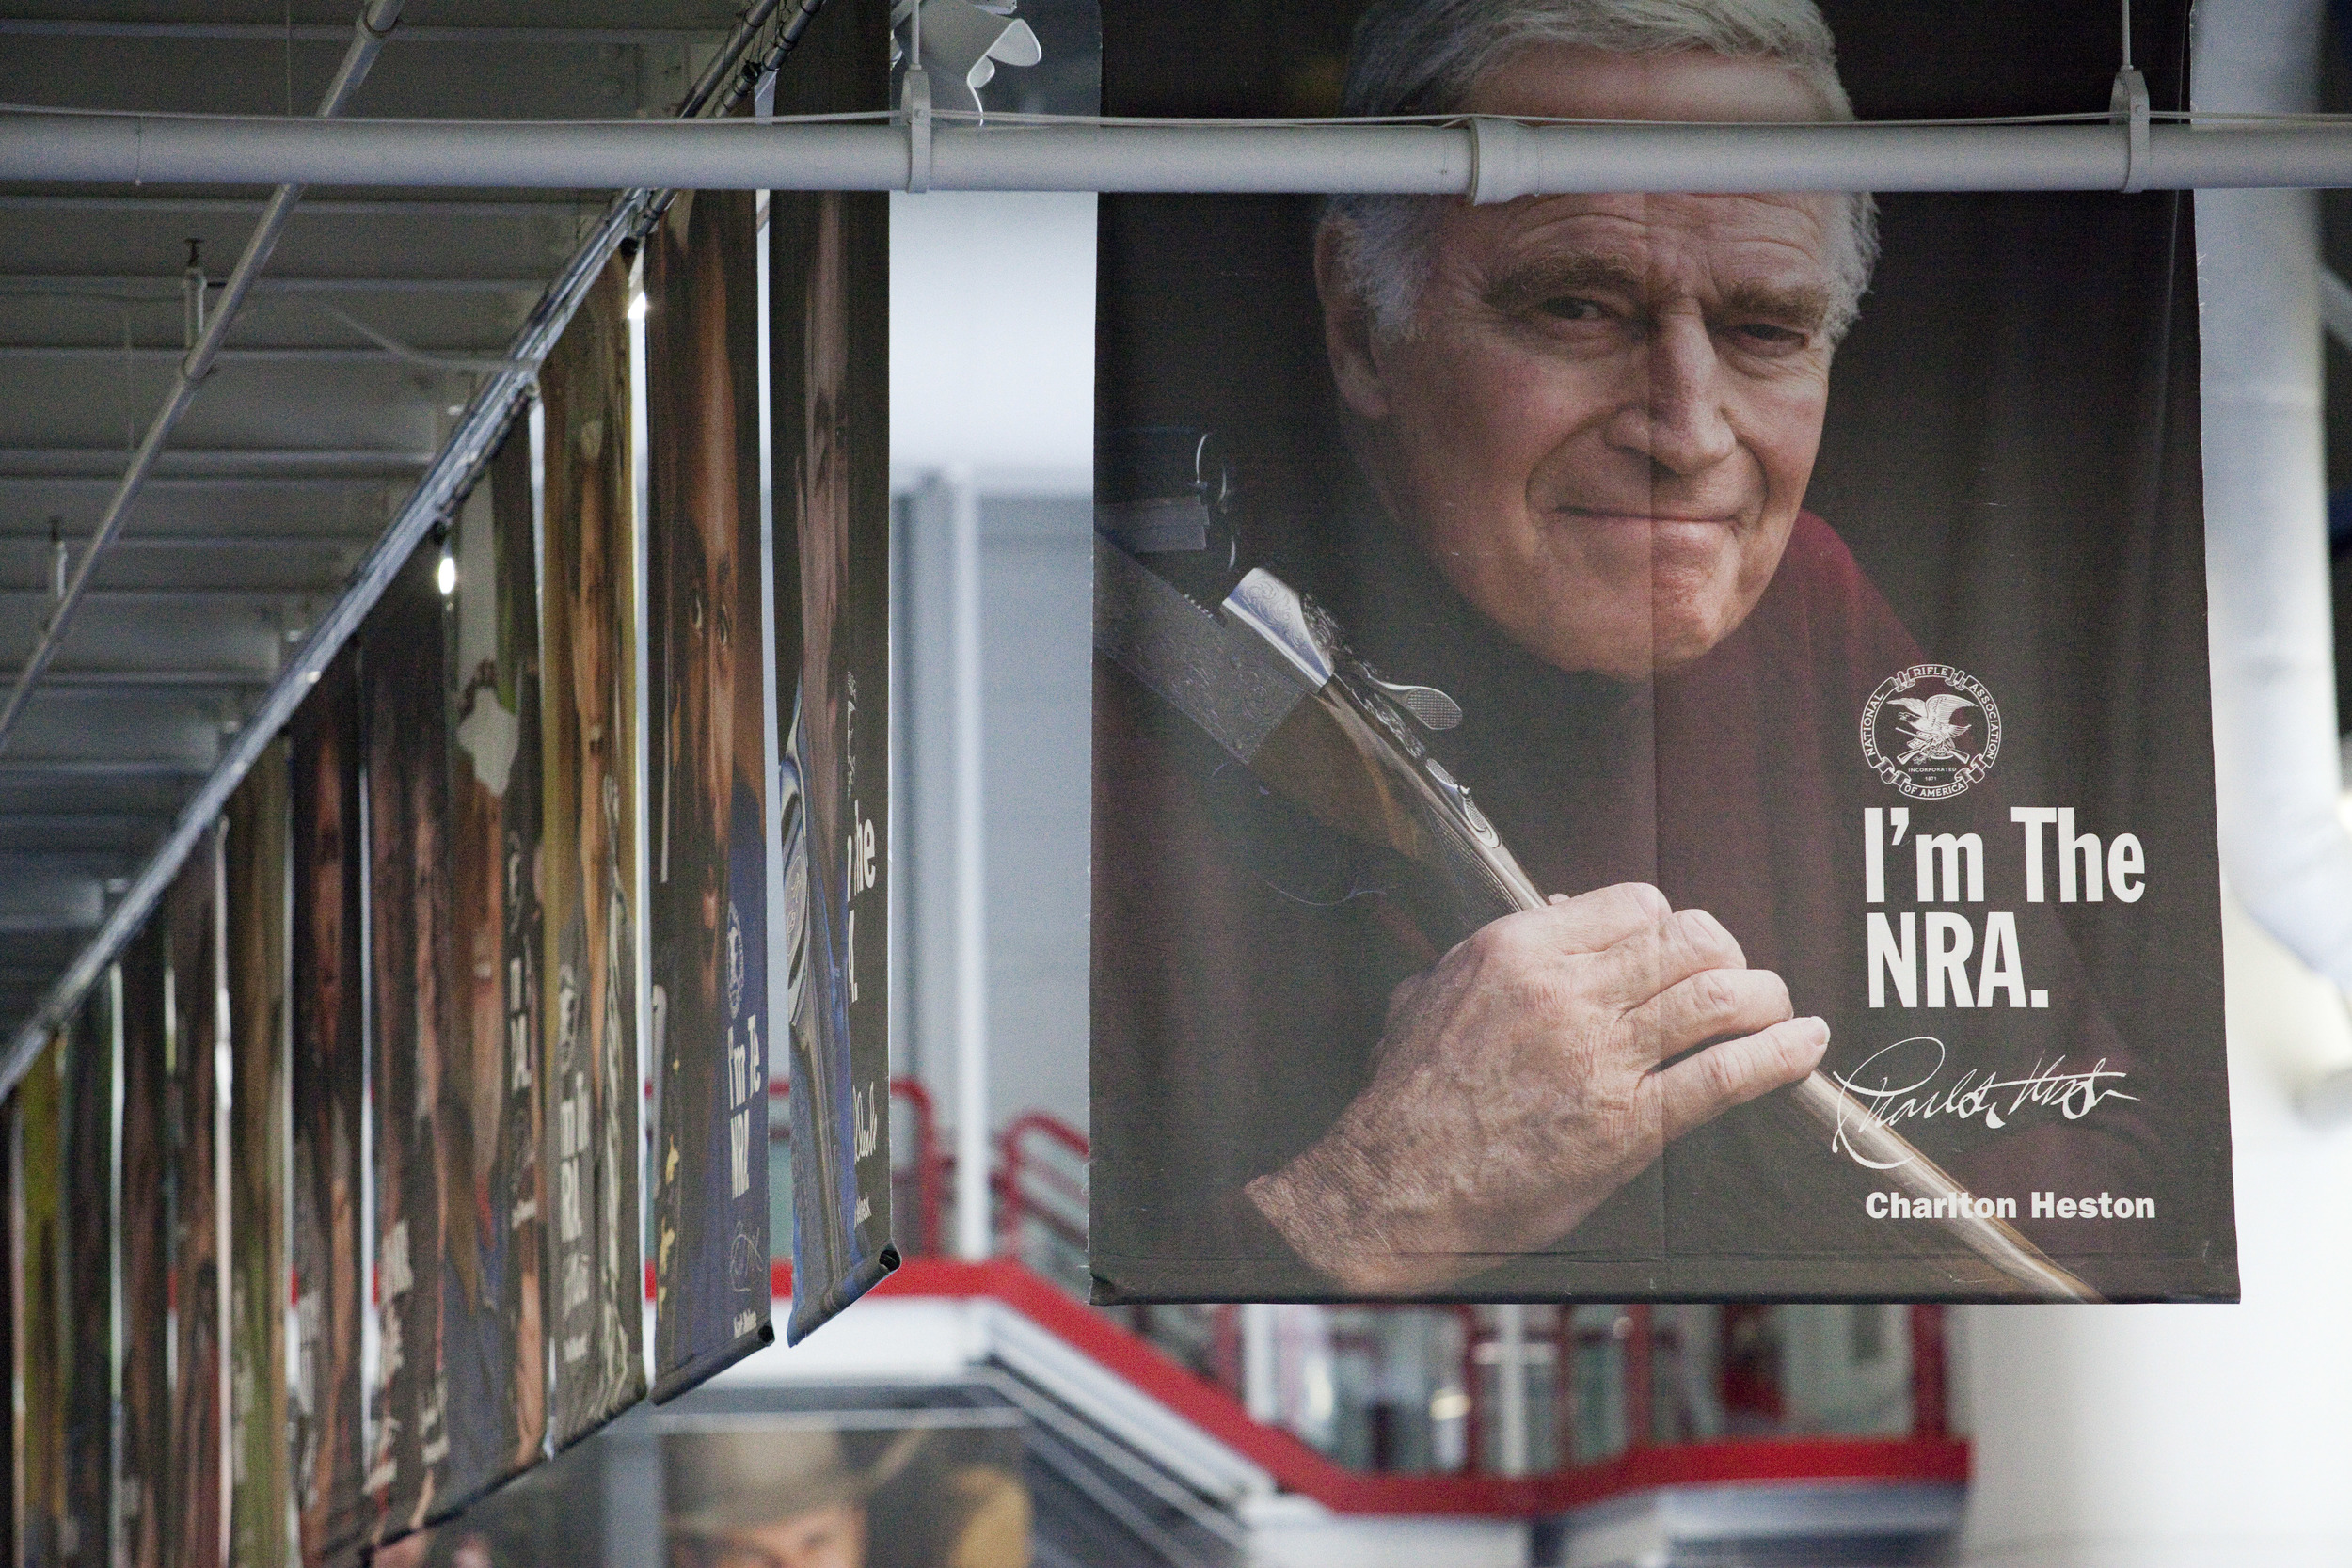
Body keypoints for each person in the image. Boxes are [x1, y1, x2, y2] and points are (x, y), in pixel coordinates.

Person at [1091, 0, 2153, 1299]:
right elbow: (1004, 1323)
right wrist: (1376, 1204)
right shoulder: (1139, 675)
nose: (1690, 432)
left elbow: (2112, 1160)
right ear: (1362, 325)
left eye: (1766, 328)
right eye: (1579, 307)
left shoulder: (1807, 602)